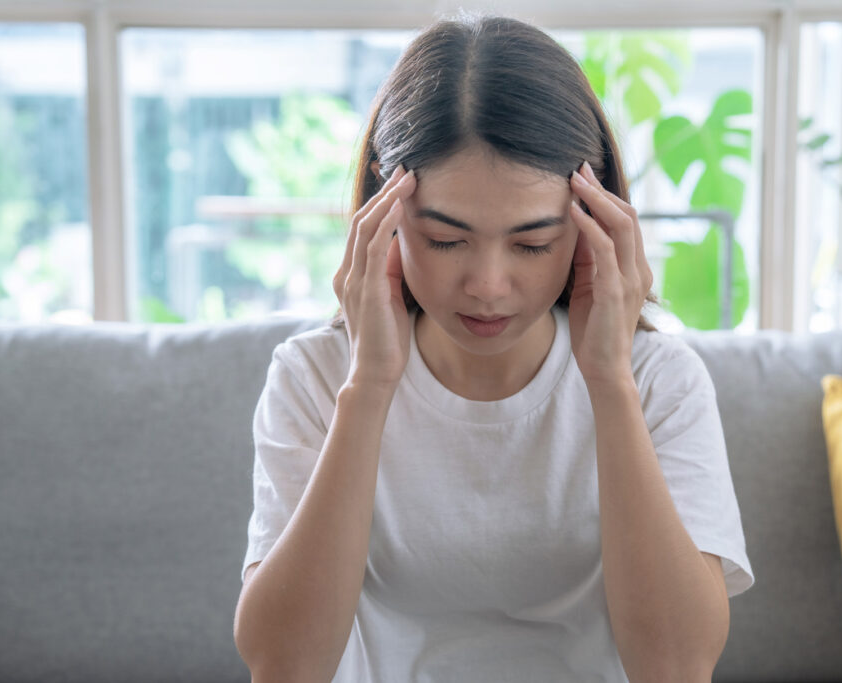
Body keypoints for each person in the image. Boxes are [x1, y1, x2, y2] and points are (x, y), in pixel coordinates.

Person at [234, 12, 754, 682]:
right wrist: (368, 388)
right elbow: (282, 665)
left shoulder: (659, 381)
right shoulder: (315, 376)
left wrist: (609, 382)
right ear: (383, 218)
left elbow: (677, 666)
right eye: (446, 239)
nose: (487, 285)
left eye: (532, 243)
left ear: (592, 223)